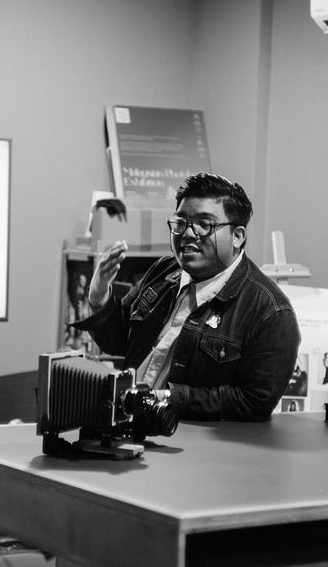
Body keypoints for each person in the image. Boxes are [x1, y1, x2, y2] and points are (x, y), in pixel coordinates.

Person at [73, 172, 301, 421]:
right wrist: (99, 293)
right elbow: (118, 341)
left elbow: (254, 401)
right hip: (128, 426)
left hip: (189, 446)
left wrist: (167, 398)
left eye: (205, 224)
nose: (189, 233)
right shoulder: (164, 271)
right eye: (181, 222)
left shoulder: (270, 311)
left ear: (237, 237)